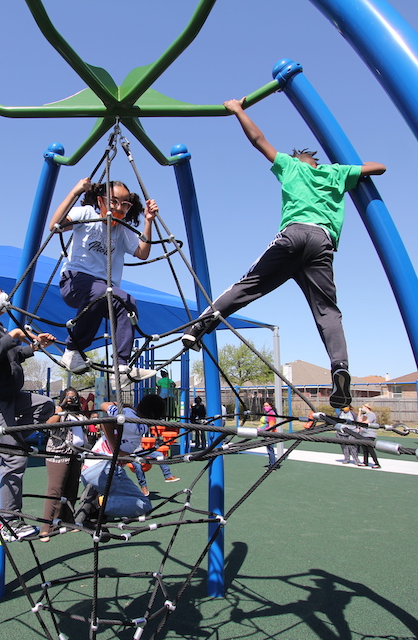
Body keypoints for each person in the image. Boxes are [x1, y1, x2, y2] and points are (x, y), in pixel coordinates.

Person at [181, 98, 386, 409]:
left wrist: (238, 109)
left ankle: (199, 327)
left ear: (296, 160)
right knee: (328, 312)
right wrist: (343, 170)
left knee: (247, 286)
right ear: (315, 163)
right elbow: (379, 167)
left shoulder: (290, 167)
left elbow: (258, 140)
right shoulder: (335, 174)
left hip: (293, 235)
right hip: (322, 242)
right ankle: (340, 367)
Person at [0, 276, 57, 542]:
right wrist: (13, 335)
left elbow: (12, 355)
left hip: (9, 399)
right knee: (15, 458)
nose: (2, 294)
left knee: (46, 405)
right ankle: (9, 523)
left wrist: (34, 346)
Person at [50, 177, 159, 383]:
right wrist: (75, 192)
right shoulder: (87, 214)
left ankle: (118, 366)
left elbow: (142, 252)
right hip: (75, 280)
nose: (119, 207)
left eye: (125, 204)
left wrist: (148, 221)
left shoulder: (122, 229)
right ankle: (77, 352)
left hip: (104, 289)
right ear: (101, 200)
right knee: (107, 295)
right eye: (114, 201)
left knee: (126, 303)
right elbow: (55, 225)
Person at [74, 395, 160, 522]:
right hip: (105, 470)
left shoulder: (126, 412)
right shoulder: (139, 426)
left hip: (88, 469)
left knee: (116, 500)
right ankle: (96, 503)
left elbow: (104, 404)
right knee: (144, 506)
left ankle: (97, 514)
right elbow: (105, 422)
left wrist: (124, 406)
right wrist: (117, 451)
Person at [39, 388, 87, 541]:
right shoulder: (59, 411)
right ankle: (46, 527)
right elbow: (48, 424)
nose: (71, 400)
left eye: (74, 397)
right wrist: (61, 406)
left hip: (75, 455)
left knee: (71, 489)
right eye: (68, 397)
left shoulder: (79, 414)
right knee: (55, 490)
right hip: (58, 455)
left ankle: (67, 521)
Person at [125, 395, 180, 496]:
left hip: (140, 451)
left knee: (159, 455)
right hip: (130, 453)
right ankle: (144, 487)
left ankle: (167, 475)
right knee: (137, 465)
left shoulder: (143, 424)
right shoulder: (131, 420)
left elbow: (139, 413)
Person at [358, 403, 381, 469]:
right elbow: (359, 421)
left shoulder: (371, 414)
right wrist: (359, 412)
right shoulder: (364, 415)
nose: (362, 408)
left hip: (370, 434)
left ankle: (376, 463)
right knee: (364, 449)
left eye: (363, 407)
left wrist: (361, 422)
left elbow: (366, 422)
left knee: (370, 449)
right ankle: (365, 462)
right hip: (363, 434)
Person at [261, 401, 281, 466]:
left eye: (267, 406)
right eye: (264, 406)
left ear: (271, 406)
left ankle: (272, 465)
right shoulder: (268, 413)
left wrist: (269, 435)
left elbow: (271, 425)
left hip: (270, 434)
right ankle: (271, 464)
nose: (265, 407)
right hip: (265, 433)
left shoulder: (271, 414)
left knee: (270, 450)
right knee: (269, 450)